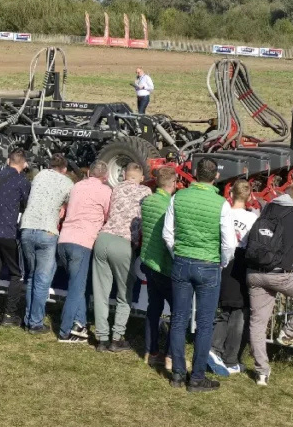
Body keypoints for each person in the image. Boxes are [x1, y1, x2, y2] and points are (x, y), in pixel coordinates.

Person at [163, 158, 236, 391]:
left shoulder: (178, 197)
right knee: (204, 323)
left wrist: (178, 254)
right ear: (215, 177)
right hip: (209, 265)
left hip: (182, 261)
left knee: (178, 319)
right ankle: (196, 377)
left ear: (194, 174)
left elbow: (167, 234)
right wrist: (222, 262)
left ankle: (177, 373)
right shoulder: (221, 203)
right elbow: (229, 243)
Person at [245, 185, 293, 387]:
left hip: (254, 273)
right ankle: (288, 333)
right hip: (281, 275)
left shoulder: (267, 208)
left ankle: (262, 373)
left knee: (257, 323)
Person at [91, 163, 151, 352]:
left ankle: (101, 338)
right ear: (141, 178)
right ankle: (117, 337)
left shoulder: (115, 188)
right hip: (123, 243)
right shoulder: (146, 191)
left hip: (103, 238)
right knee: (124, 293)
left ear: (124, 175)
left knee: (100, 292)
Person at [56, 161, 112, 343]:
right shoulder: (105, 191)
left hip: (64, 240)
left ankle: (80, 323)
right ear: (105, 177)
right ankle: (64, 331)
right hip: (83, 242)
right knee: (76, 288)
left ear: (89, 173)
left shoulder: (76, 186)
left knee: (78, 285)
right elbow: (108, 215)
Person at [207, 180, 259, 377]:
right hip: (241, 262)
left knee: (224, 309)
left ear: (231, 194)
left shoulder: (224, 212)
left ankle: (214, 349)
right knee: (238, 313)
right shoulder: (252, 218)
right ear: (249, 196)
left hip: (223, 260)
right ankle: (230, 358)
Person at [19, 155, 73, 333]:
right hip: (47, 230)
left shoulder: (39, 175)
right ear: (64, 169)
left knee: (31, 276)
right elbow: (70, 207)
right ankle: (35, 323)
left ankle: (28, 318)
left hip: (27, 228)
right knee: (42, 280)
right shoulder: (67, 183)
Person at [0, 149, 30, 327]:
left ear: (9, 160)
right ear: (24, 164)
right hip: (7, 232)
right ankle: (9, 314)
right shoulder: (22, 181)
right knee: (16, 273)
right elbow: (26, 204)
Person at [140, 166, 178, 368]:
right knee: (178, 310)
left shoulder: (147, 201)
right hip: (164, 264)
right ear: (172, 184)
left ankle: (150, 351)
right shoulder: (170, 205)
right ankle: (170, 355)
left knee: (153, 308)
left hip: (148, 261)